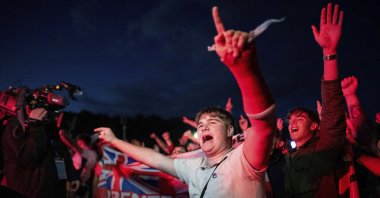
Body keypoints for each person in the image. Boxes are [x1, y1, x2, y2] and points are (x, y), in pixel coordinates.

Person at [94, 6, 276, 197]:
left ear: (230, 130)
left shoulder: (245, 158)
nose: (203, 128)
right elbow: (155, 159)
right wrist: (114, 140)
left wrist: (245, 69)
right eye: (200, 124)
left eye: (212, 122)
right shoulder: (193, 167)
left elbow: (264, 125)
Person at [284, 3, 346, 197]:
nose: (292, 122)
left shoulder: (324, 146)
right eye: (291, 120)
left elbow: (333, 107)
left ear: (314, 126)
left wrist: (329, 52)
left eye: (300, 118)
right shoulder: (290, 157)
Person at [1, 107, 80, 198]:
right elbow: (29, 159)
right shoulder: (16, 126)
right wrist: (35, 125)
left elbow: (60, 152)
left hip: (54, 191)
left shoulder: (47, 128)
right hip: (28, 192)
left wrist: (72, 175)